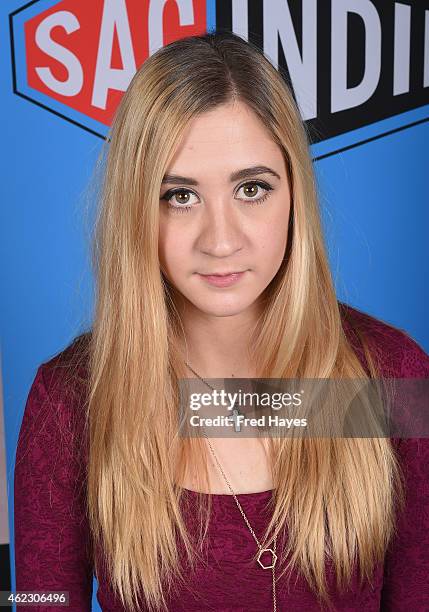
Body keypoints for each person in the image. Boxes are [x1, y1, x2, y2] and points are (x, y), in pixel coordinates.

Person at [14, 31, 429, 612]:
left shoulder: (390, 379)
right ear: (137, 207)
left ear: (295, 195)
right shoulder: (71, 402)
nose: (221, 239)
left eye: (252, 189)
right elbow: (39, 600)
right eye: (180, 196)